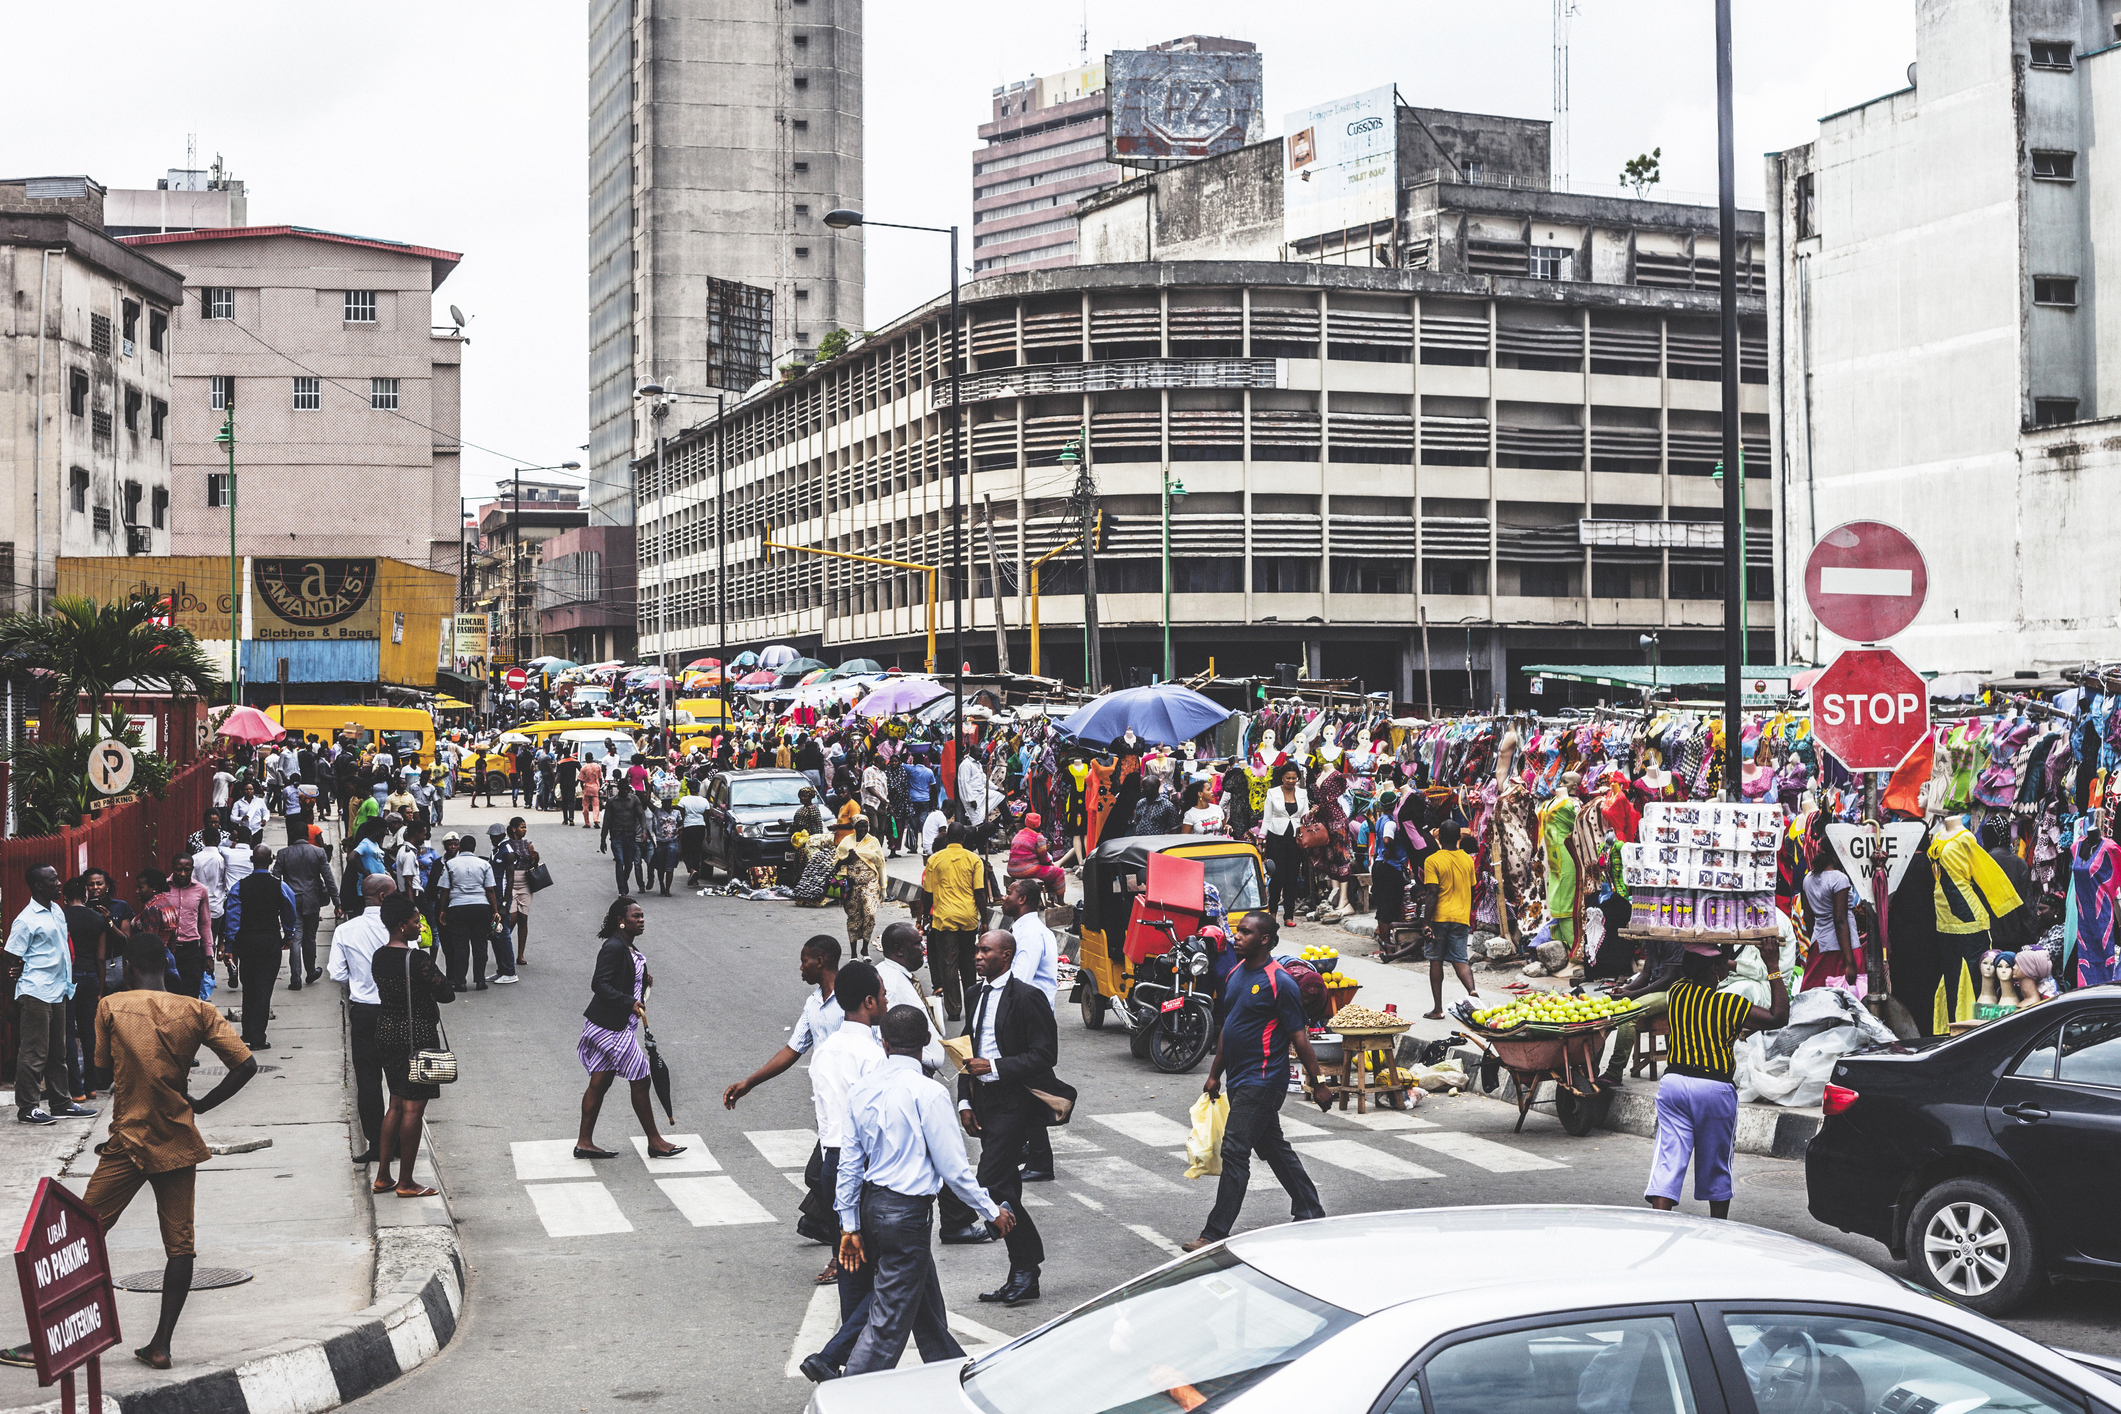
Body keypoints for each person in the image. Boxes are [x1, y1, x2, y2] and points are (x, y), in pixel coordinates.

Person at [0, 929, 256, 1370]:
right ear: (165, 964)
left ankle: (47, 1341)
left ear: (129, 968)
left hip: (129, 1140)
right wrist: (201, 1104)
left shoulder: (111, 1006)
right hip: (177, 1139)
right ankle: (160, 1344)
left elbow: (99, 1073)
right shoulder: (198, 1009)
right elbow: (246, 1065)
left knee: (78, 1234)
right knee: (180, 1246)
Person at [830, 1004, 1013, 1378]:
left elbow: (849, 1164)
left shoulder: (862, 1091)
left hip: (871, 1207)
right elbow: (954, 1169)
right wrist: (990, 1210)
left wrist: (849, 1226)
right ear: (927, 1041)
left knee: (923, 1303)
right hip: (907, 1215)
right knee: (888, 1321)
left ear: (883, 1043)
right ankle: (852, 1392)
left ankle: (950, 1372)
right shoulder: (927, 1093)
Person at [1186, 911, 1331, 1251]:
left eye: (1246, 932)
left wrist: (1319, 1081)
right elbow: (1229, 1029)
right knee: (1271, 1146)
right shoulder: (1236, 974)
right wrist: (1213, 1074)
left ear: (1264, 939)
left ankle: (1214, 1233)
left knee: (1235, 1151)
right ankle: (1309, 1207)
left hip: (1265, 1079)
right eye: (1237, 931)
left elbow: (1300, 1037)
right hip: (1239, 1078)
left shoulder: (1280, 982)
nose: (1237, 937)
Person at [958, 929, 1068, 1306]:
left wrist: (997, 1066)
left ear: (1005, 956)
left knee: (988, 1186)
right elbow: (964, 1050)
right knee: (1005, 1188)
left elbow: (1044, 1055)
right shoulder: (974, 995)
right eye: (977, 950)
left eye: (985, 950)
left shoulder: (1027, 997)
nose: (978, 955)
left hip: (1014, 1101)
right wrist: (964, 1103)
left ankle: (1027, 1264)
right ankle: (1022, 1275)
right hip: (983, 1100)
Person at [1645, 939, 1789, 1217]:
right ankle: (1718, 1227)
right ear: (1714, 971)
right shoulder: (1728, 1004)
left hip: (1673, 1085)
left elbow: (1696, 967)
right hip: (1714, 1089)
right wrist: (1772, 966)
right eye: (1723, 965)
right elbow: (1778, 1016)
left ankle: (1658, 1221)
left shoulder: (1677, 993)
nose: (1727, 969)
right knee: (1716, 1164)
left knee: (1668, 1160)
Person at [723, 936, 844, 1244]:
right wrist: (750, 1082)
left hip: (851, 1105)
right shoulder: (814, 1003)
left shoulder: (850, 999)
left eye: (804, 961)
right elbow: (793, 1049)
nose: (800, 967)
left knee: (822, 1175)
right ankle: (824, 1224)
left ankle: (842, 1240)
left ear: (820, 961)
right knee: (828, 1175)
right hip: (826, 1105)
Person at [573, 897, 685, 1161]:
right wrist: (629, 1001)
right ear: (621, 921)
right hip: (611, 1029)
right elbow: (599, 984)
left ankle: (584, 1142)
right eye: (636, 916)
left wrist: (642, 982)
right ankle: (655, 1141)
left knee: (600, 1082)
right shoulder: (613, 947)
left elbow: (621, 978)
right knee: (642, 1077)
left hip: (608, 1025)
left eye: (642, 915)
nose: (641, 920)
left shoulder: (628, 948)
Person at [806, 961, 887, 1287]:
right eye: (883, 995)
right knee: (878, 1269)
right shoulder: (873, 1055)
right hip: (864, 1164)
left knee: (853, 1279)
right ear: (869, 1002)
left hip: (832, 1161)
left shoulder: (824, 1052)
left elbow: (824, 1119)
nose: (886, 1001)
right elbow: (878, 1123)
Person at [370, 894, 454, 1199]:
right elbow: (446, 993)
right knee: (413, 1109)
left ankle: (383, 1176)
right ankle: (406, 1181)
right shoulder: (417, 959)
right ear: (401, 925)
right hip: (416, 1036)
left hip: (387, 1031)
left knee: (394, 1103)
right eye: (416, 921)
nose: (420, 925)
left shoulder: (379, 956)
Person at [6, 866, 92, 1125]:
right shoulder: (26, 920)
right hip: (36, 993)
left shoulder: (56, 911)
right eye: (53, 880)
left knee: (58, 1052)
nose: (59, 883)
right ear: (38, 886)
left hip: (58, 991)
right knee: (34, 1053)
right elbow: (10, 958)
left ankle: (61, 1102)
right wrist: (11, 1000)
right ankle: (28, 1108)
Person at [329, 873, 399, 1165]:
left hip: (364, 1011)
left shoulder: (346, 930)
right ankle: (397, 1141)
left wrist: (359, 982)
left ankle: (376, 1143)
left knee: (368, 1080)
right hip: (395, 1010)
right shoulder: (397, 928)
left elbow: (336, 973)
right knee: (398, 1080)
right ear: (383, 896)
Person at [919, 824, 991, 1021]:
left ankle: (953, 1010)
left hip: (944, 919)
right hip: (968, 918)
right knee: (968, 961)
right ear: (964, 839)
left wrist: (925, 917)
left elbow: (928, 894)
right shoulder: (974, 859)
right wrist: (984, 921)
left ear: (947, 837)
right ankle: (971, 1006)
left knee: (948, 963)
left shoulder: (934, 859)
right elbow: (979, 892)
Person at [228, 846, 298, 1049]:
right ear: (271, 861)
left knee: (248, 985)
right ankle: (258, 1036)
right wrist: (288, 934)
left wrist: (230, 944)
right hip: (270, 940)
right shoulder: (280, 886)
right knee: (264, 988)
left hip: (246, 941)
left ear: (251, 859)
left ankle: (247, 1033)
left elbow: (233, 918)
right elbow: (289, 910)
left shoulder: (239, 886)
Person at [1421, 823, 1481, 1020]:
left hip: (1439, 917)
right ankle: (1472, 993)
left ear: (1439, 839)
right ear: (1459, 839)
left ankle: (1438, 1009)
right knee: (1460, 959)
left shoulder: (1432, 860)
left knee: (1436, 959)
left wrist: (1426, 922)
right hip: (1461, 917)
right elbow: (1472, 889)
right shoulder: (1467, 860)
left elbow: (1432, 893)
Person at [437, 833, 504, 991]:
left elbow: (445, 890)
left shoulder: (450, 864)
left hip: (457, 908)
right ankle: (480, 981)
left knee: (460, 947)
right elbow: (490, 890)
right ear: (474, 848)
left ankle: (460, 982)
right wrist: (495, 911)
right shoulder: (484, 864)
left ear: (460, 847)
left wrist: (442, 910)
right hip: (481, 908)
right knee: (480, 945)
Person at [1800, 840, 1863, 991]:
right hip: (1844, 947)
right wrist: (1849, 962)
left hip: (1820, 944)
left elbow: (1808, 918)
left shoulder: (1808, 878)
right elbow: (1840, 920)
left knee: (1818, 994)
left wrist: (1817, 937)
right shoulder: (1839, 879)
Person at [274, 829, 332, 987]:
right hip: (311, 899)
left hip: (291, 901)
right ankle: (311, 971)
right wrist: (337, 901)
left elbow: (275, 879)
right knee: (310, 937)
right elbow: (328, 878)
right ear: (307, 837)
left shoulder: (283, 853)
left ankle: (295, 978)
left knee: (295, 938)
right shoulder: (318, 852)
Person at [831, 817, 887, 959]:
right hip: (851, 886)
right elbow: (836, 865)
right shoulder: (847, 842)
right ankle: (854, 953)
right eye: (860, 826)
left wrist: (883, 886)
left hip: (870, 884)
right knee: (853, 918)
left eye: (865, 826)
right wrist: (848, 858)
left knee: (870, 914)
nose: (863, 829)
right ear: (855, 827)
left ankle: (865, 948)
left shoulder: (873, 842)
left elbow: (880, 864)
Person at [1261, 766, 1310, 925]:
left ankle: (1289, 915)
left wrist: (1313, 814)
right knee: (1277, 876)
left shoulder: (1302, 794)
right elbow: (1267, 818)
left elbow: (1305, 817)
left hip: (1295, 839)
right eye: (1288, 778)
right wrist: (1262, 837)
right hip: (1276, 837)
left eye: (1294, 778)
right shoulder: (1272, 793)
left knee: (1292, 877)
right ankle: (1273, 912)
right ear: (1282, 778)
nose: (1291, 781)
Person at [493, 817, 538, 975]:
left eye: (525, 827)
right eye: (521, 827)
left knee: (523, 918)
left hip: (525, 883)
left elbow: (533, 865)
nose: (524, 830)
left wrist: (535, 858)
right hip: (510, 883)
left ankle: (520, 954)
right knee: (511, 918)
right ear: (513, 829)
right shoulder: (506, 845)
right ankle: (503, 945)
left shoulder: (528, 844)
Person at [1006, 812, 1065, 901]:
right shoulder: (1038, 837)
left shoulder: (1018, 834)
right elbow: (1044, 859)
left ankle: (1041, 901)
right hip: (1026, 870)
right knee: (1059, 872)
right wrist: (1051, 864)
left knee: (1048, 871)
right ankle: (1061, 902)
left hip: (1011, 869)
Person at [606, 780, 648, 896]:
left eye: (627, 790)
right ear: (619, 789)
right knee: (619, 861)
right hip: (617, 835)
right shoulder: (612, 802)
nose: (626, 792)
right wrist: (603, 838)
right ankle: (622, 890)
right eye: (623, 790)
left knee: (629, 864)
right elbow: (607, 820)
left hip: (630, 836)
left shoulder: (634, 800)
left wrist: (644, 831)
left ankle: (623, 882)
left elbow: (641, 816)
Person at [677, 779, 711, 885]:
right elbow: (707, 819)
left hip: (688, 827)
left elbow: (681, 816)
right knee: (697, 851)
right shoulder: (704, 801)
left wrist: (680, 827)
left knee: (686, 851)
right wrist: (708, 833)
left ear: (689, 788)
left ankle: (691, 870)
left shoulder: (684, 800)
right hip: (700, 827)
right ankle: (695, 878)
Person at [579, 754, 604, 833]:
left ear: (586, 758)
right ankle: (596, 820)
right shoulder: (597, 767)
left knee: (585, 806)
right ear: (592, 758)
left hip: (587, 788)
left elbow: (581, 780)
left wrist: (583, 788)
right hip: (595, 788)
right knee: (596, 805)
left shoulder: (584, 768)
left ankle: (587, 823)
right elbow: (600, 778)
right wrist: (599, 787)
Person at [556, 750, 580, 827]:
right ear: (569, 752)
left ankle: (565, 819)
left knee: (564, 802)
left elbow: (558, 775)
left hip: (563, 785)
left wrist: (554, 785)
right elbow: (582, 771)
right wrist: (578, 781)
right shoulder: (575, 761)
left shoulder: (560, 762)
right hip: (572, 784)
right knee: (571, 801)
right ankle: (571, 818)